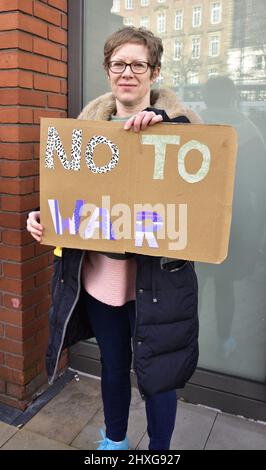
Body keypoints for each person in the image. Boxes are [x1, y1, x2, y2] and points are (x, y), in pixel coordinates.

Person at [27, 27, 201, 451]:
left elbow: (200, 199)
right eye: (118, 64)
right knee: (113, 368)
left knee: (159, 377)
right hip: (100, 283)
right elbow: (69, 197)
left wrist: (166, 127)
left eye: (138, 64)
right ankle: (115, 441)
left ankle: (160, 451)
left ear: (154, 72)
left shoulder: (183, 130)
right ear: (108, 72)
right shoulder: (83, 132)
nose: (128, 73)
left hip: (158, 287)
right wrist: (45, 216)